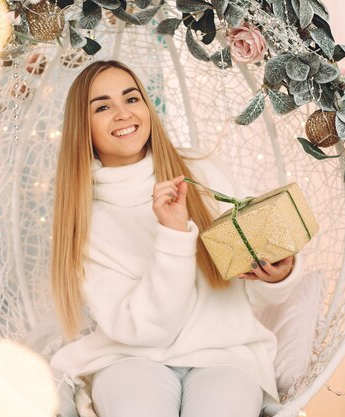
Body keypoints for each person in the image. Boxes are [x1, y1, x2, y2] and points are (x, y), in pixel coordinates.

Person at [50, 60, 301, 417]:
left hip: (226, 353)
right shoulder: (83, 219)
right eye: (103, 107)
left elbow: (252, 282)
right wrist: (172, 235)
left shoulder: (199, 172)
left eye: (131, 99)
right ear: (83, 126)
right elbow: (149, 331)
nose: (122, 113)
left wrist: (277, 276)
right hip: (130, 357)